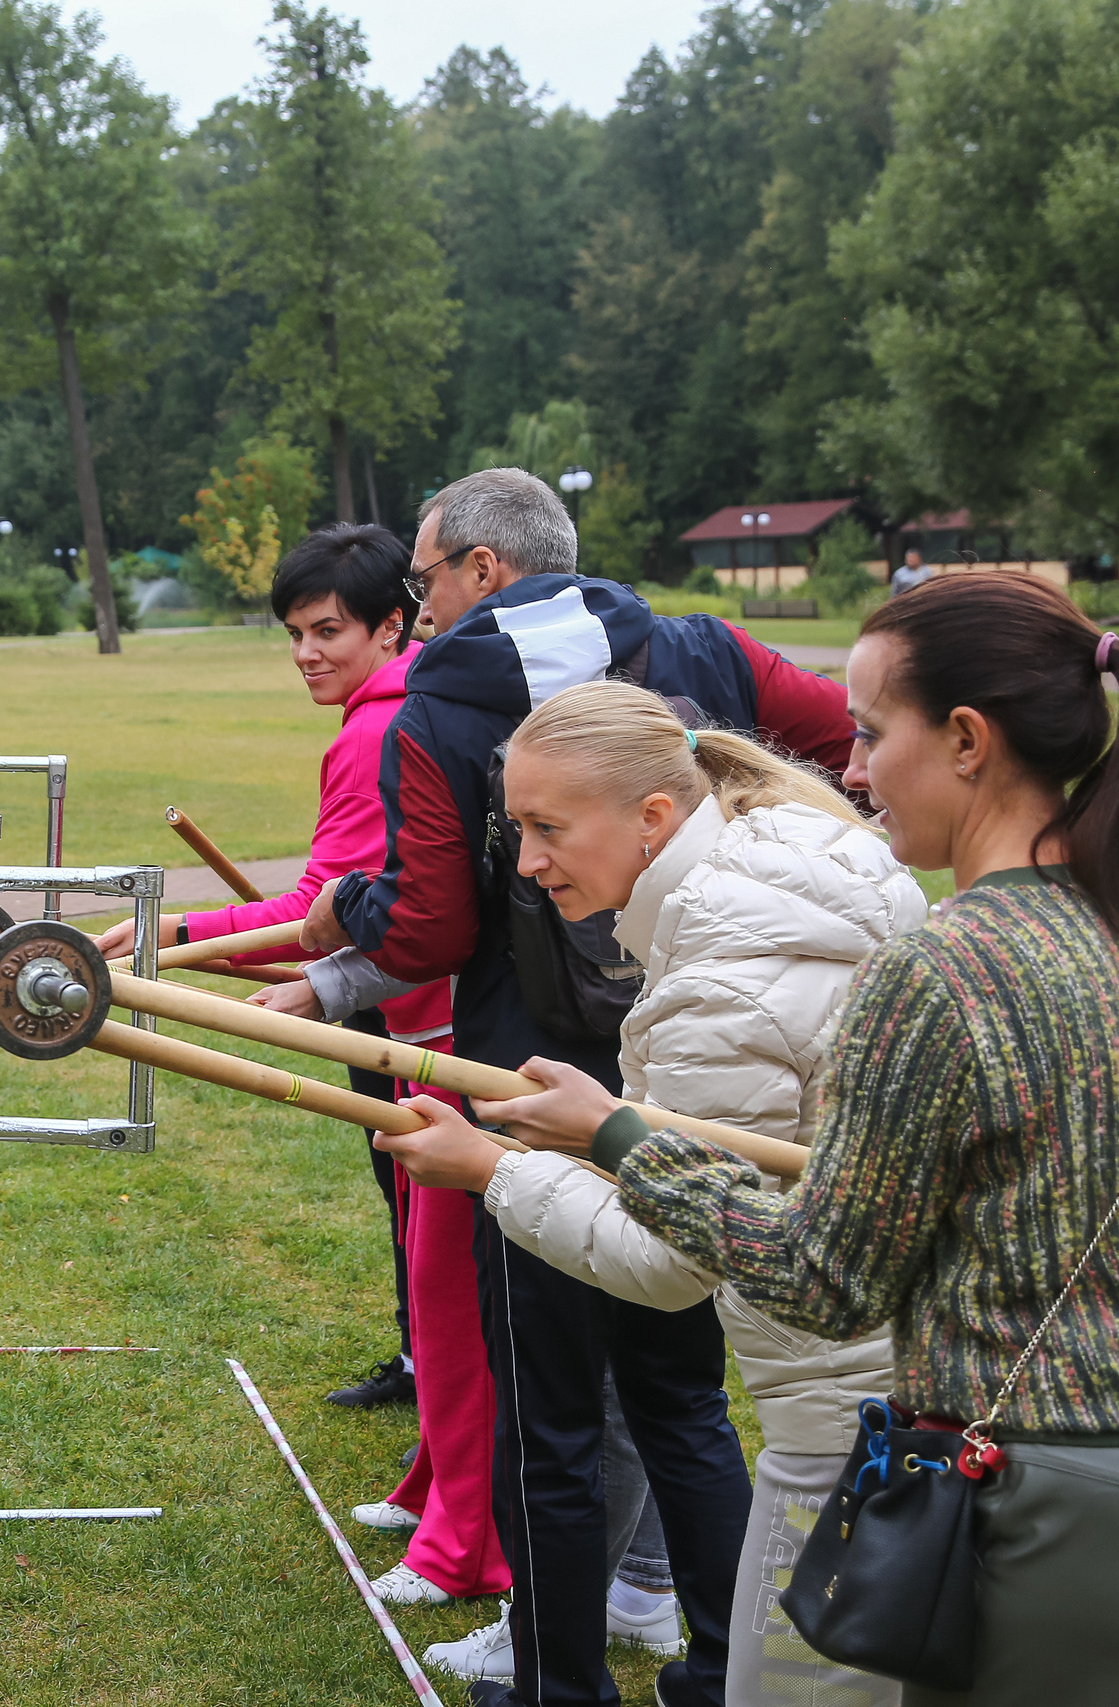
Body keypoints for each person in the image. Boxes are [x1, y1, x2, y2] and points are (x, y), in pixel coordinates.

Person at [453, 573, 1119, 1707]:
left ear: (964, 740)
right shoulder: (1089, 922)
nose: (847, 772)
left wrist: (598, 1139)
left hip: (1007, 1478)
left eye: (866, 733)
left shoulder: (947, 967)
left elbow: (825, 1275)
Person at [294, 468, 858, 1707]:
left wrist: (346, 913)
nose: (418, 604)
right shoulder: (697, 641)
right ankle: (716, 1661)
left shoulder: (441, 690)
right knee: (679, 1395)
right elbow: (839, 734)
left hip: (531, 1066)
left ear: (484, 570)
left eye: (425, 579)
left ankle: (559, 1683)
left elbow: (431, 927)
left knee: (548, 1408)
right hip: (684, 1048)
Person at [377, 678, 918, 1707]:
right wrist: (601, 1127)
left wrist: (489, 1169)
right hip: (883, 1371)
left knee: (803, 1685)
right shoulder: (783, 863)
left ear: (654, 818)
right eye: (516, 828)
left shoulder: (723, 972)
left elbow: (668, 1265)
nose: (526, 865)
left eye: (545, 829)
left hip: (842, 1399)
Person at [92, 525, 502, 1610]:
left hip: (440, 1047)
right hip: (412, 1038)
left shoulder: (386, 730)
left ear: (391, 627)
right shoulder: (391, 712)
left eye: (330, 631)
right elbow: (333, 912)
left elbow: (322, 914)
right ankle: (435, 1489)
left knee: (453, 1302)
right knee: (432, 1290)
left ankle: (468, 1539)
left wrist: (163, 934)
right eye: (295, 634)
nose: (307, 653)